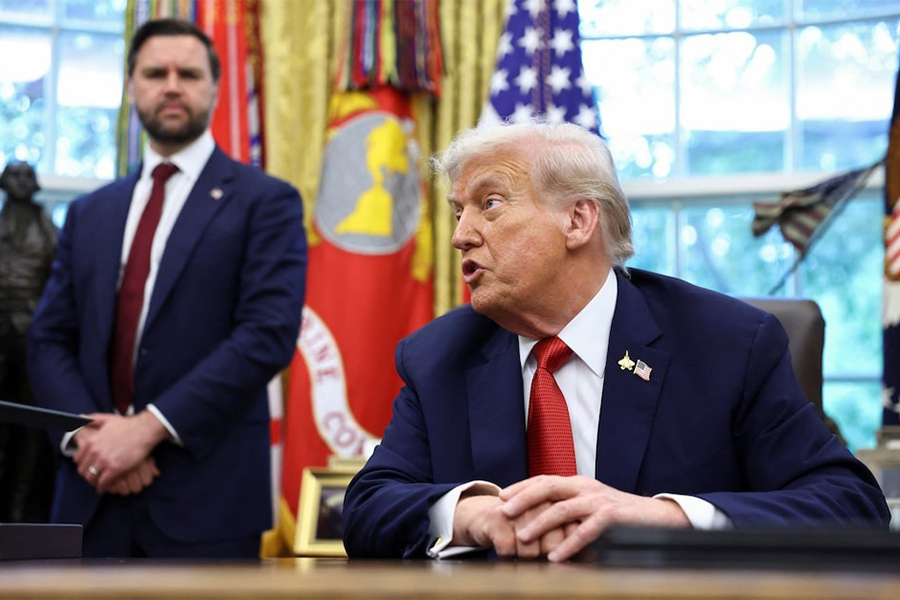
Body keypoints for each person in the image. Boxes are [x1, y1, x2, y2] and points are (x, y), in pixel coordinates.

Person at [341, 122, 890, 561]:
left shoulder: (727, 344)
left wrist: (665, 518)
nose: (461, 235)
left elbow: (851, 505)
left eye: (490, 204)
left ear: (578, 220)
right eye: (458, 211)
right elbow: (366, 507)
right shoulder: (439, 356)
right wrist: (472, 515)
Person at [27, 18, 306, 558]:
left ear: (215, 88)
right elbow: (48, 339)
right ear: (131, 85)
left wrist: (146, 430)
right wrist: (91, 438)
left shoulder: (266, 202)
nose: (172, 86)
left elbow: (266, 334)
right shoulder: (89, 212)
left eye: (189, 74)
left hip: (208, 504)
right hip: (90, 495)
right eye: (156, 73)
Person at [0, 162, 58, 523]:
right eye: (14, 174)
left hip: (33, 337)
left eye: (27, 175)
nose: (20, 181)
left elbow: (63, 280)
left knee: (31, 426)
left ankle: (22, 510)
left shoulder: (49, 228)